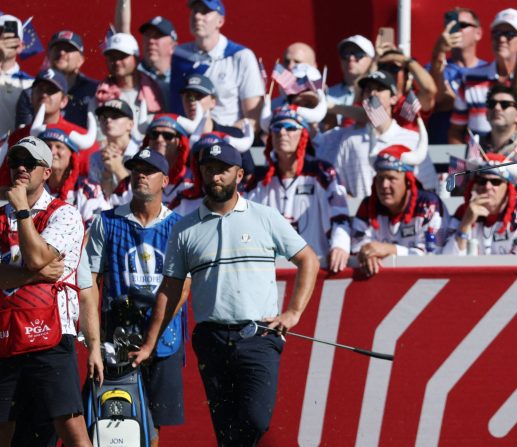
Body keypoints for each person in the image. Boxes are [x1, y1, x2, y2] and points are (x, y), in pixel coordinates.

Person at [130, 140, 320, 446]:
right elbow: (170, 289)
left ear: (239, 174)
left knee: (256, 419)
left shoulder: (265, 216)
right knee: (226, 430)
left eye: (222, 170)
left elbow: (308, 259)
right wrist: (150, 343)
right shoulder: (185, 229)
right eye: (209, 170)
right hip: (212, 339)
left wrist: (294, 312)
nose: (215, 176)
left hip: (258, 336)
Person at [86, 148, 189, 446]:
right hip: (115, 340)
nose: (141, 175)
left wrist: (151, 337)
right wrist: (92, 337)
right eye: (136, 169)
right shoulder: (105, 222)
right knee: (111, 422)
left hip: (164, 341)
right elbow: (90, 282)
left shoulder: (180, 226)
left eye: (150, 170)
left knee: (152, 427)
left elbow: (183, 288)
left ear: (165, 180)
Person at [0, 136, 90, 447]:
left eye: (29, 162)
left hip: (51, 336)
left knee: (72, 430)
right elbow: (38, 266)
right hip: (6, 337)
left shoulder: (64, 213)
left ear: (47, 172)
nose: (20, 168)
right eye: (15, 162)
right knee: (4, 433)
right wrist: (31, 277)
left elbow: (37, 258)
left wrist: (23, 211)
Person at [246, 107, 351, 273]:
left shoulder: (323, 172)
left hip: (315, 267)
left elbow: (340, 216)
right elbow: (244, 224)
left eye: (290, 128)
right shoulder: (259, 179)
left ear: (303, 135)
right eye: (276, 128)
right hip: (269, 272)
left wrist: (340, 245)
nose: (282, 132)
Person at [449, 8, 517, 143]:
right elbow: (455, 131)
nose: (501, 39)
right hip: (482, 162)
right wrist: (466, 163)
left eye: (509, 34)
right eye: (496, 33)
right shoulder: (470, 78)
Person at [333, 70, 437, 198]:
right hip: (359, 216)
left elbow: (429, 186)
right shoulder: (349, 140)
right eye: (368, 90)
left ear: (393, 98)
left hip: (403, 215)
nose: (372, 93)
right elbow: (336, 186)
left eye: (379, 89)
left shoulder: (413, 139)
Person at [352, 141, 448, 276]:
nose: (384, 185)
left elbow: (431, 253)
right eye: (380, 178)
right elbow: (357, 247)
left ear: (408, 181)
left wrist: (389, 250)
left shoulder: (428, 204)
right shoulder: (368, 205)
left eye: (391, 178)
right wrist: (369, 255)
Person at [169, 0, 264, 128]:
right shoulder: (177, 55)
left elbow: (253, 118)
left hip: (225, 140)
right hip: (181, 140)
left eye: (205, 12)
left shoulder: (240, 56)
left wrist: (221, 137)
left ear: (220, 21)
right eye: (195, 11)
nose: (197, 16)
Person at [442, 153, 517, 255]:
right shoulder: (463, 211)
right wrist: (465, 223)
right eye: (482, 181)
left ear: (508, 187)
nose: (487, 186)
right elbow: (447, 260)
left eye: (495, 182)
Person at [15, 31, 99, 130]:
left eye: (68, 49)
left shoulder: (94, 91)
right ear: (48, 55)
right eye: (57, 48)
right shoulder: (31, 93)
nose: (61, 52)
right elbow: (23, 134)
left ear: (81, 60)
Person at [427, 7, 487, 144]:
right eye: (452, 26)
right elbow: (438, 99)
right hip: (441, 150)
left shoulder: (488, 72)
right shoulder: (433, 67)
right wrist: (439, 52)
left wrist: (456, 101)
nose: (457, 29)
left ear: (478, 33)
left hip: (480, 152)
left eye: (463, 25)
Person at [37, 125, 110, 227]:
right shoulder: (33, 188)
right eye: (48, 146)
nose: (52, 152)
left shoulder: (88, 189)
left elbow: (99, 228)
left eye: (59, 146)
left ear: (72, 156)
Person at [114, 0, 179, 101]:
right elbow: (122, 33)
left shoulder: (182, 73)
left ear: (173, 45)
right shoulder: (135, 70)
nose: (151, 40)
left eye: (157, 36)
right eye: (147, 35)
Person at [95, 33, 166, 116]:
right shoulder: (99, 94)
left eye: (122, 56)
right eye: (112, 58)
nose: (117, 62)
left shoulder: (157, 90)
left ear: (136, 59)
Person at [89, 99, 137, 197]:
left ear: (130, 124)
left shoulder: (142, 152)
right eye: (104, 117)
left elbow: (140, 198)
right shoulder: (96, 158)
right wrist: (107, 174)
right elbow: (102, 199)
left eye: (115, 116)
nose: (108, 120)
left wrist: (118, 168)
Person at [325, 35, 374, 126]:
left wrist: (330, 107)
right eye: (345, 54)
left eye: (358, 54)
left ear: (371, 60)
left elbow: (378, 119)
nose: (351, 58)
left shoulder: (378, 91)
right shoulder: (327, 93)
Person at [0, 14, 33, 136]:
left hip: (9, 152)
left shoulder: (31, 84)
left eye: (10, 38)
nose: (3, 40)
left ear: (20, 46)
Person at [481, 84, 517, 154]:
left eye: (505, 104)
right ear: (486, 113)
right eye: (492, 104)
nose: (497, 108)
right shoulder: (475, 146)